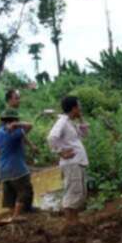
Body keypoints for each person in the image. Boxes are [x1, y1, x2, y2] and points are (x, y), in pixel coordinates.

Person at [47, 96, 89, 224]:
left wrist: (81, 118)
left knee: (78, 193)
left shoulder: (71, 122)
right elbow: (51, 138)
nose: (80, 108)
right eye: (79, 106)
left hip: (77, 163)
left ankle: (74, 222)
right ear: (74, 108)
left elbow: (85, 134)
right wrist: (60, 153)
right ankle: (70, 224)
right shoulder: (63, 122)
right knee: (72, 193)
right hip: (71, 164)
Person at [0, 109, 34, 223]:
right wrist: (17, 125)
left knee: (10, 193)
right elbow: (30, 126)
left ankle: (12, 214)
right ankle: (16, 216)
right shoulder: (16, 132)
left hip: (3, 168)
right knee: (25, 190)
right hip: (17, 168)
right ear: (14, 121)